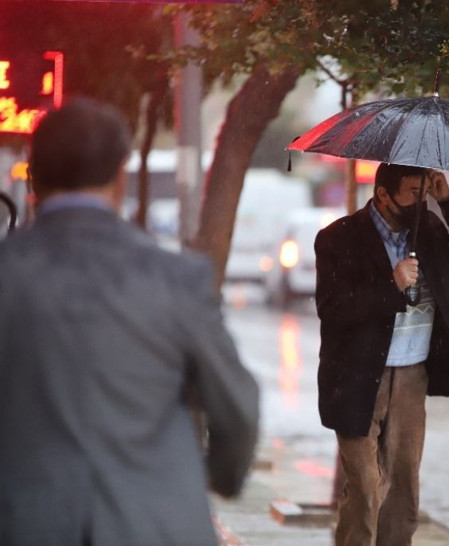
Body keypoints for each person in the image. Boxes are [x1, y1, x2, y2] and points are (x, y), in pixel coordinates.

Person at [0, 98, 259, 545]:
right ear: (121, 176)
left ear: (33, 174)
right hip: (154, 525)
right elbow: (238, 407)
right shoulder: (175, 277)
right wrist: (217, 478)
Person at [314, 163, 449, 545]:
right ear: (383, 194)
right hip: (357, 378)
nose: (420, 201)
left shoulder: (429, 229)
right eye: (413, 193)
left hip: (412, 375)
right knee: (366, 487)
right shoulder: (338, 238)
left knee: (402, 492)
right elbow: (333, 309)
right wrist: (390, 285)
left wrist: (448, 200)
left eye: (424, 192)